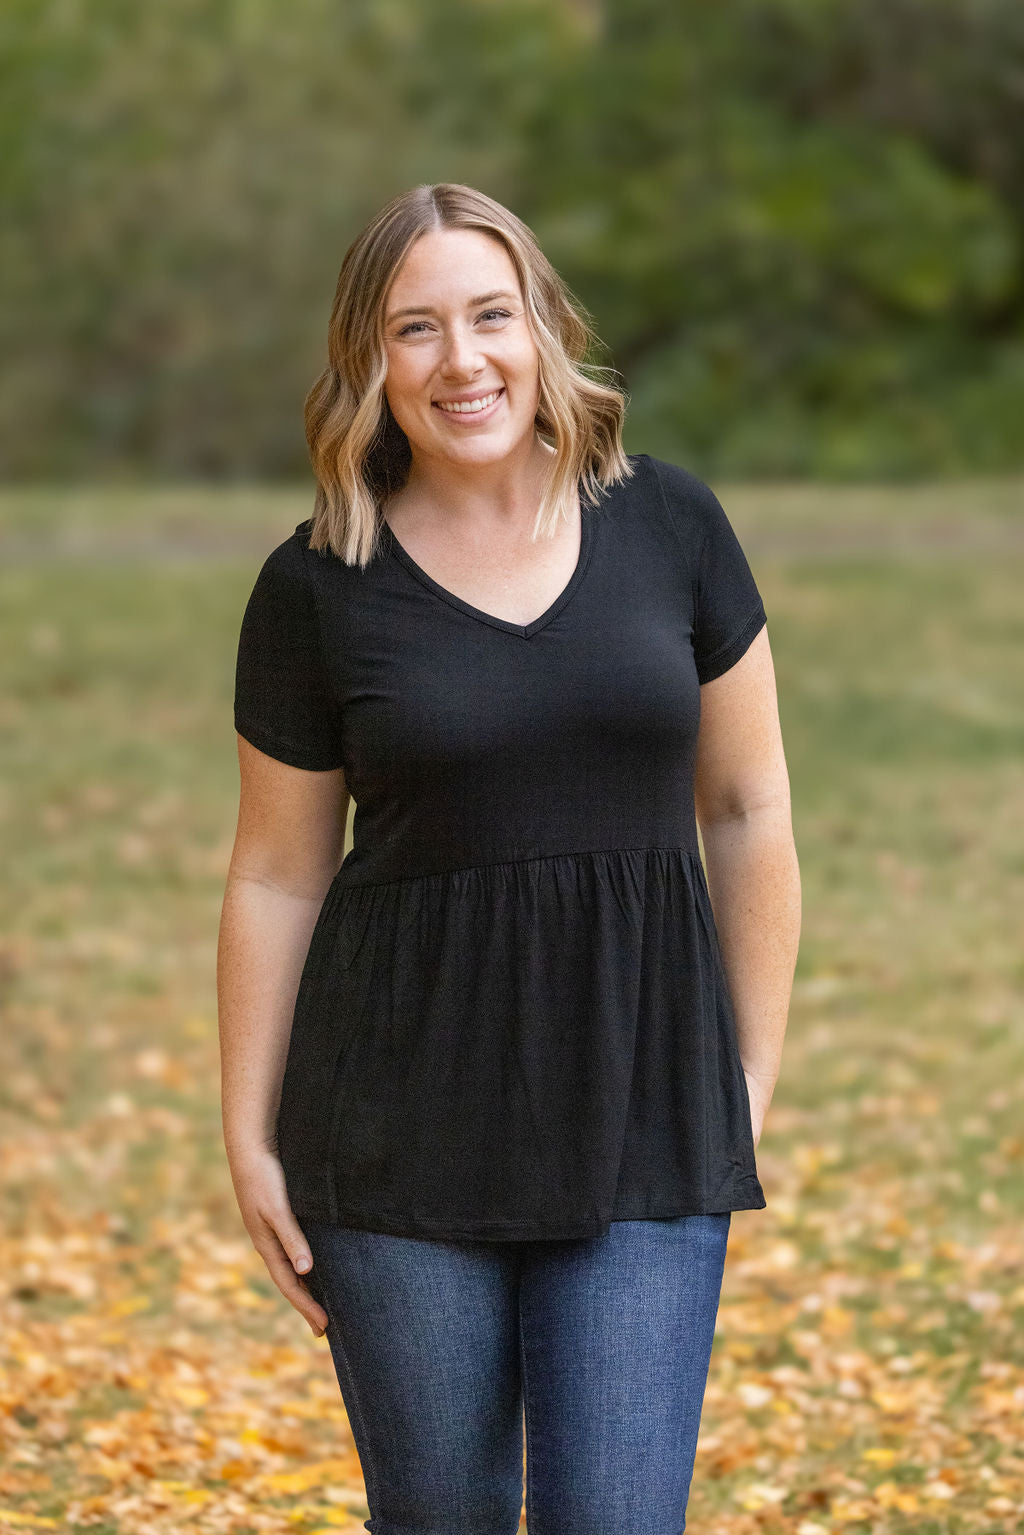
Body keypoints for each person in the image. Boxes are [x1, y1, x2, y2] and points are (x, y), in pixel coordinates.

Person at [218, 182, 801, 1534]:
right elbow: (276, 874)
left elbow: (748, 809)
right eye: (414, 328)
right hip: (394, 1123)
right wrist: (247, 1134)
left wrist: (748, 1076)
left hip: (643, 1095)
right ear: (369, 362)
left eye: (490, 315)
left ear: (543, 329)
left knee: (614, 1516)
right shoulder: (312, 587)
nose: (461, 360)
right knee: (443, 1513)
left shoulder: (672, 526)